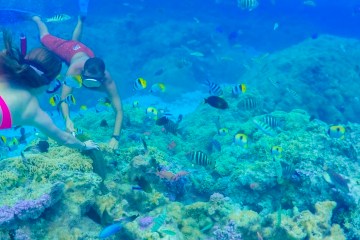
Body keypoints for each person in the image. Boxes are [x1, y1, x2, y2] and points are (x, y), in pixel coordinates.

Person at [31, 15, 124, 150]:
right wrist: (67, 119)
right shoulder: (74, 70)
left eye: (95, 80)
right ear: (83, 71)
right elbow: (63, 100)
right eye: (86, 79)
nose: (90, 84)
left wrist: (116, 137)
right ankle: (36, 19)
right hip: (69, 51)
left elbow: (119, 109)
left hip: (86, 52)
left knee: (76, 42)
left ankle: (81, 20)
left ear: (102, 76)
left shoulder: (107, 80)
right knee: (44, 39)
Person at [0, 30, 98, 151]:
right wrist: (84, 146)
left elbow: (4, 54)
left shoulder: (4, 70)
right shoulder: (32, 110)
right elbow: (64, 138)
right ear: (48, 82)